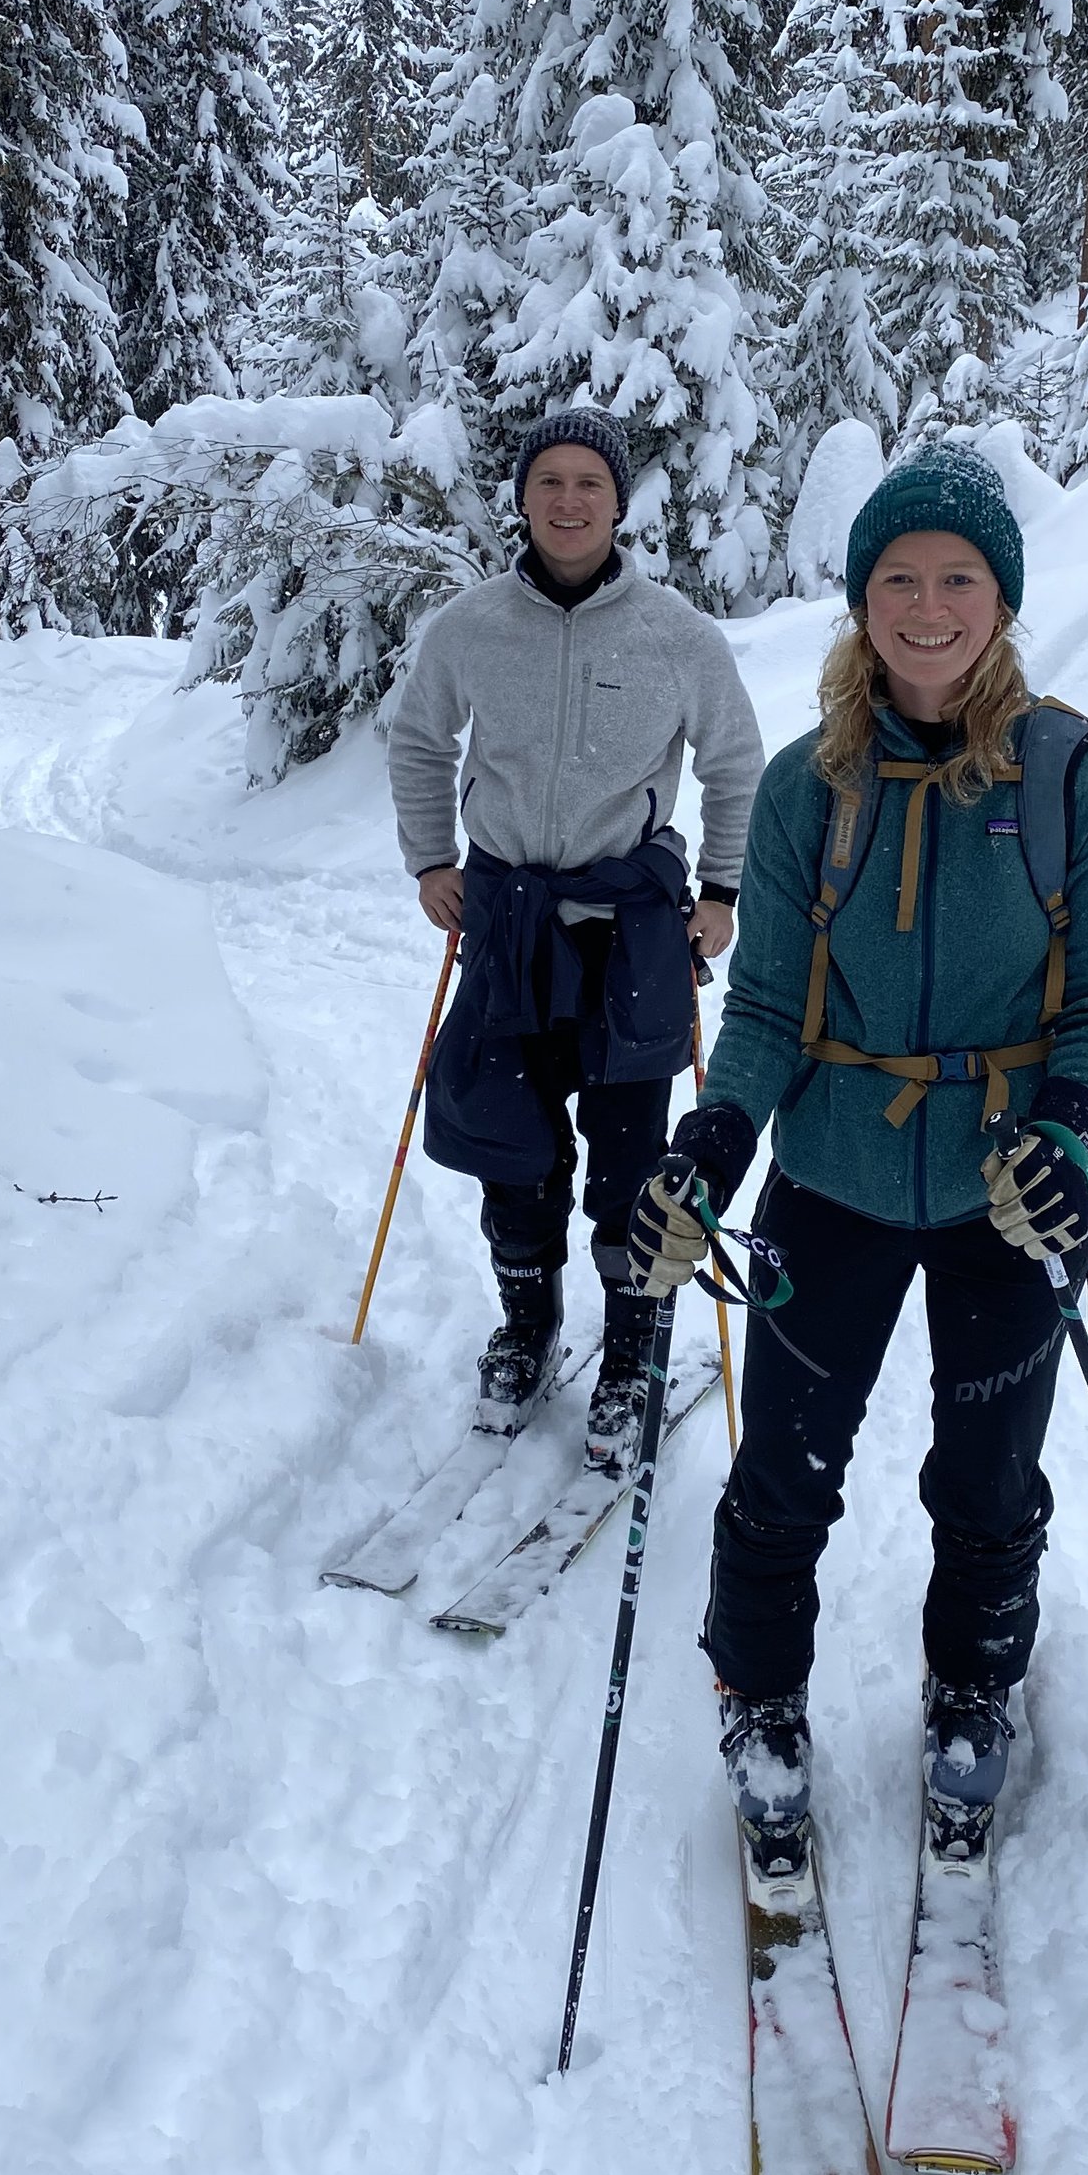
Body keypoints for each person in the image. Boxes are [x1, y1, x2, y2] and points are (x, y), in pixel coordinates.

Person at [627, 445, 1088, 1871]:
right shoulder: (811, 788)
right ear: (862, 602)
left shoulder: (1075, 777)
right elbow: (772, 1010)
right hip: (837, 1181)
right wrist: (716, 1138)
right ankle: (761, 1696)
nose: (928, 607)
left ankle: (973, 1690)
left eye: (958, 579)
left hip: (1006, 1192)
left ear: (1003, 598)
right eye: (899, 579)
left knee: (989, 1482)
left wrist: (1075, 1135)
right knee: (785, 1478)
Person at [388, 407, 765, 1462]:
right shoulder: (469, 627)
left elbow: (736, 764)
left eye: (587, 483)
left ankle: (634, 1341)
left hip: (632, 936)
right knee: (510, 1146)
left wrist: (721, 892)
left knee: (634, 1160)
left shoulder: (677, 636)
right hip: (507, 925)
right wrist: (431, 860)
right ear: (520, 495)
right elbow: (417, 742)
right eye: (547, 480)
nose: (566, 500)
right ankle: (528, 1323)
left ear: (618, 500)